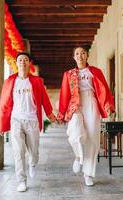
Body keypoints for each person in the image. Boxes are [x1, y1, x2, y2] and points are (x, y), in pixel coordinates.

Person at [0, 52, 57, 192]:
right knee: (18, 151)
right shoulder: (10, 81)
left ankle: (33, 163)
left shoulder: (37, 81)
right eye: (20, 60)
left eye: (25, 60)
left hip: (32, 120)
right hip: (16, 119)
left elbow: (45, 100)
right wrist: (1, 124)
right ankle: (21, 181)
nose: (22, 62)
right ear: (16, 63)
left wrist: (50, 114)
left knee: (34, 151)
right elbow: (3, 103)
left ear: (29, 63)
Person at [57, 46, 115, 186]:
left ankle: (88, 173)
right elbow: (64, 94)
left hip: (91, 102)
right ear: (74, 57)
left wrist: (109, 106)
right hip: (75, 104)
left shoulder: (95, 72)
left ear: (87, 55)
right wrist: (61, 113)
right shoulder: (68, 74)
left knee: (93, 138)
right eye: (77, 53)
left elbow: (104, 90)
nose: (80, 55)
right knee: (75, 131)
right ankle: (78, 156)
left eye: (83, 53)